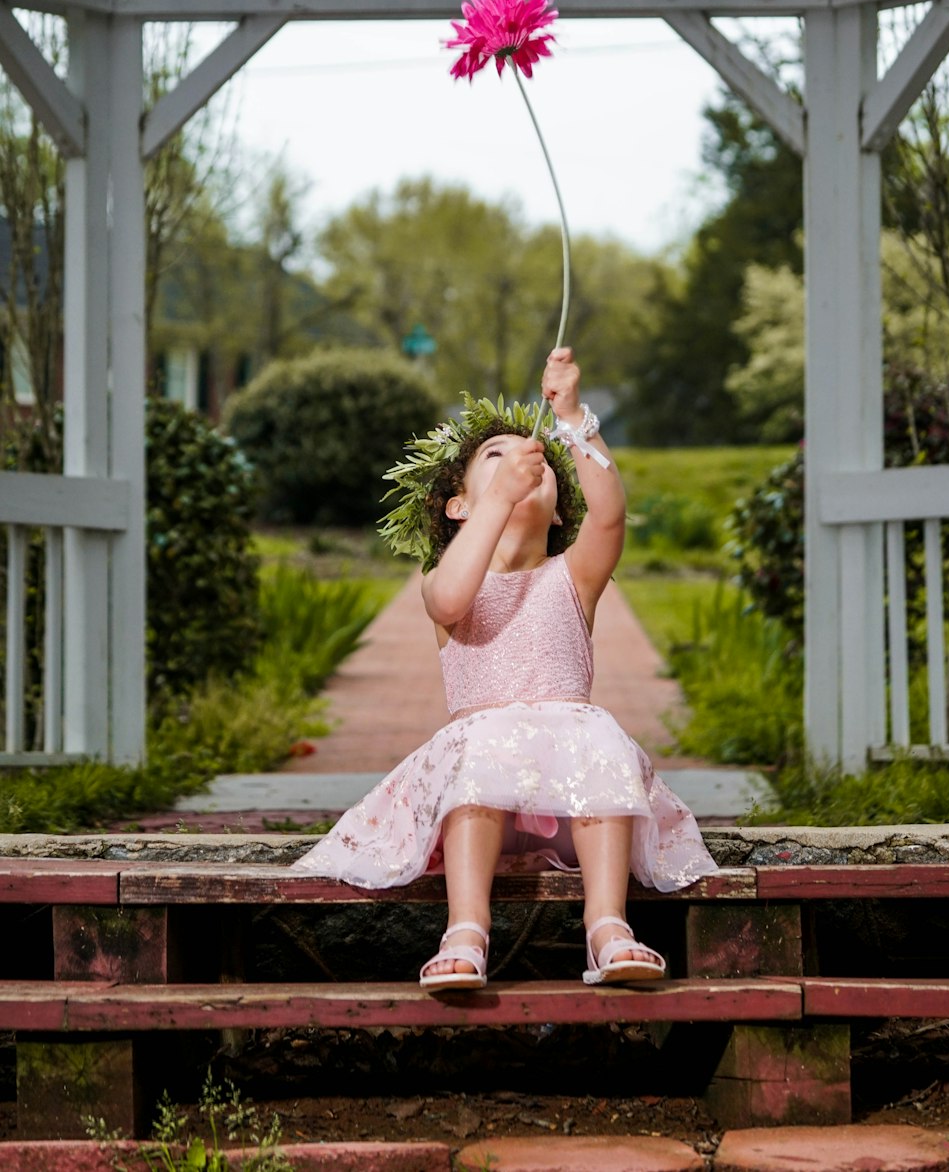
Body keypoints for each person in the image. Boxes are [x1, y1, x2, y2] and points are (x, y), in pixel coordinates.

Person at [292, 347, 720, 989]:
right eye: (494, 460)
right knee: (490, 737)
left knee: (593, 726)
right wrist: (497, 502)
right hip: (476, 803)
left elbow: (607, 511)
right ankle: (467, 930)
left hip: (576, 804)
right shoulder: (447, 579)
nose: (523, 463)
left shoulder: (573, 576)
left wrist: (573, 419)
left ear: (557, 512)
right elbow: (450, 600)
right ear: (458, 509)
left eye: (537, 463)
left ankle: (607, 927)